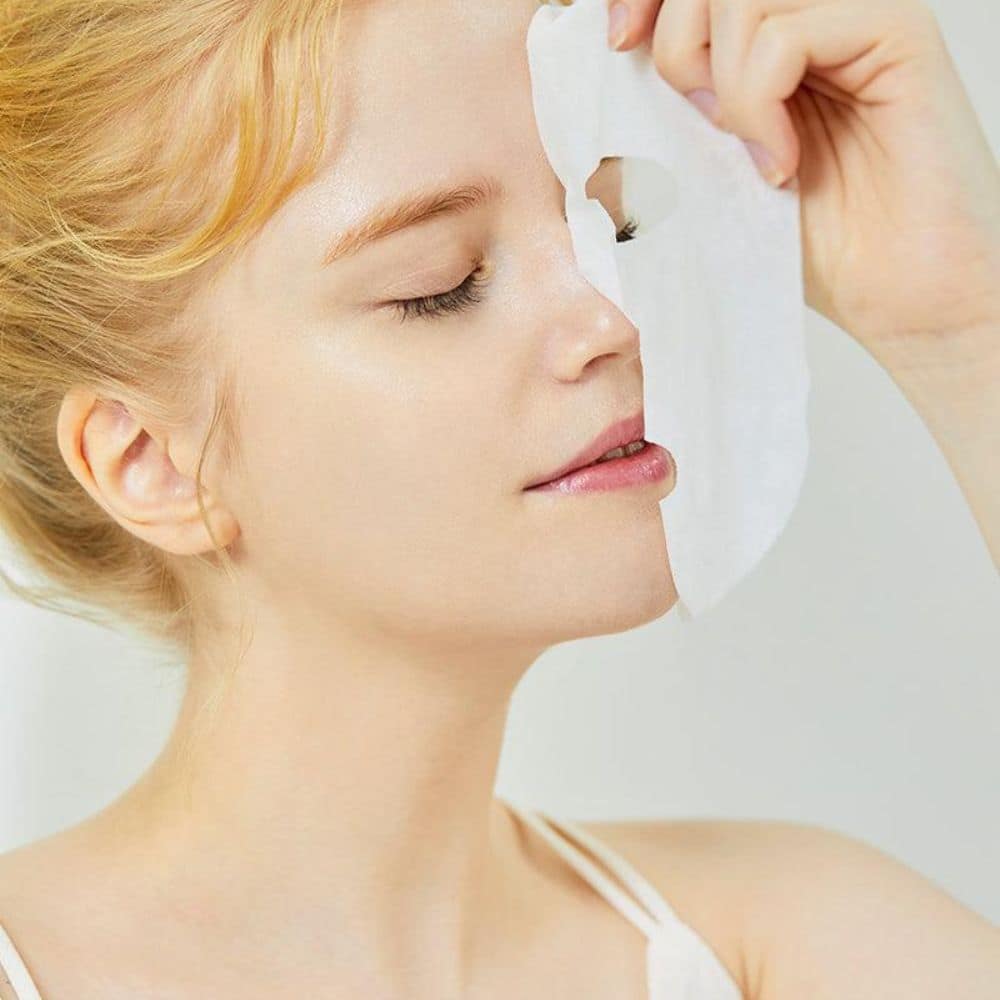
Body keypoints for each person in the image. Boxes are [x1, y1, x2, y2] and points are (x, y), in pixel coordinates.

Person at [0, 0, 997, 997]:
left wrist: (962, 320)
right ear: (151, 463)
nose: (614, 314)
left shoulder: (787, 942)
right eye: (442, 285)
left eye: (611, 222)